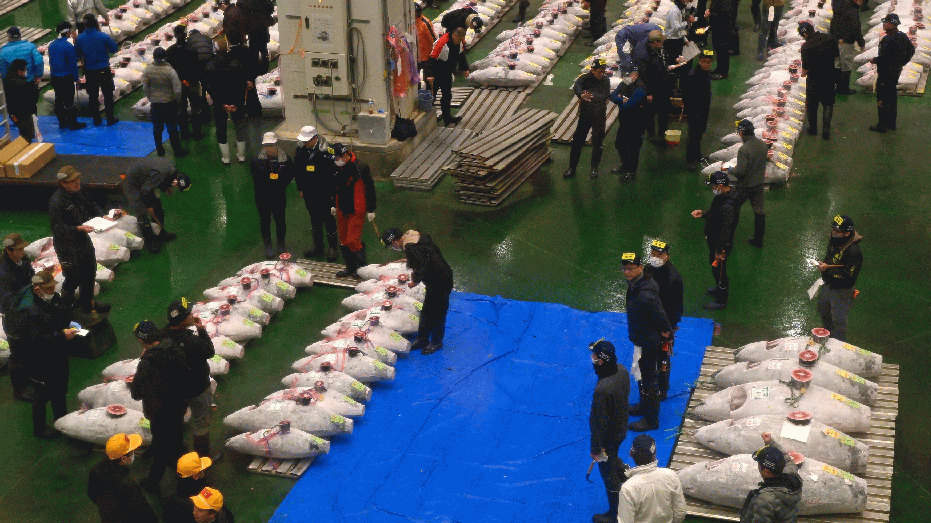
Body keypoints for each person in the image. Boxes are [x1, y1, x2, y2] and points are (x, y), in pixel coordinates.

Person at [4, 271, 75, 438]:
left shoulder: (44, 297)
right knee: (42, 394)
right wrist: (61, 335)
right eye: (48, 288)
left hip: (56, 353)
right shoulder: (28, 310)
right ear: (37, 288)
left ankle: (62, 419)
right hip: (38, 358)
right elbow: (34, 339)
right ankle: (40, 429)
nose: (52, 291)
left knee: (60, 387)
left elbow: (54, 312)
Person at [129, 320, 190, 493]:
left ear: (142, 341)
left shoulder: (147, 364)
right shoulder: (176, 349)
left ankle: (161, 483)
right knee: (176, 439)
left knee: (165, 451)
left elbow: (136, 393)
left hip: (159, 413)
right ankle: (169, 466)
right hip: (178, 406)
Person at [48, 166, 112, 315]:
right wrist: (78, 228)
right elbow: (57, 229)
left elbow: (91, 204)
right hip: (67, 246)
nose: (78, 183)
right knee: (73, 277)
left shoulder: (79, 191)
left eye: (78, 179)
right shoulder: (56, 202)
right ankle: (66, 305)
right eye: (73, 181)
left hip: (82, 240)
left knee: (90, 272)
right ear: (63, 183)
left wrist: (102, 216)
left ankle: (88, 304)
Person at [381, 228, 453, 354]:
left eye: (392, 246)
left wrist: (414, 281)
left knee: (438, 313)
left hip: (441, 281)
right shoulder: (414, 237)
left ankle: (437, 342)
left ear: (394, 242)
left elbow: (421, 267)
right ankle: (422, 339)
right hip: (434, 281)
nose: (393, 248)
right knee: (426, 312)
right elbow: (422, 260)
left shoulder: (411, 247)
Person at [621, 252, 672, 432]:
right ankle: (644, 406)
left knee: (649, 380)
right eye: (625, 269)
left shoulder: (645, 294)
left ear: (640, 268)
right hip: (641, 338)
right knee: (643, 377)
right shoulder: (637, 284)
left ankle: (651, 420)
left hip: (649, 342)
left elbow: (661, 317)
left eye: (631, 269)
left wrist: (666, 334)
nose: (626, 272)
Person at [164, 298, 220, 461]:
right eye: (188, 314)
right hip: (197, 389)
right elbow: (209, 351)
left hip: (174, 390)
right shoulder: (190, 341)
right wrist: (201, 329)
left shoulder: (162, 336)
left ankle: (177, 453)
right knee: (201, 422)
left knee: (176, 421)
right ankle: (202, 456)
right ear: (182, 320)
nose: (192, 315)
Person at [588, 339, 630, 523]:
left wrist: (596, 448)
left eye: (595, 356)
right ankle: (626, 473)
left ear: (602, 361)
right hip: (621, 426)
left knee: (607, 471)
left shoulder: (602, 390)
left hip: (609, 437)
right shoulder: (622, 370)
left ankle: (615, 514)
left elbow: (599, 424)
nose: (593, 359)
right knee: (613, 457)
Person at [691, 171, 740, 310]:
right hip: (714, 243)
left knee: (719, 271)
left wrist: (720, 251)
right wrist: (704, 214)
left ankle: (721, 300)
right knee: (714, 267)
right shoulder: (723, 197)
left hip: (720, 246)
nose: (711, 188)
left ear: (720, 185)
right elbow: (716, 213)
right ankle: (718, 288)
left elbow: (726, 230)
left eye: (713, 185)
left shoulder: (728, 206)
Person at [122, 158, 192, 253]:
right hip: (133, 184)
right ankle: (150, 242)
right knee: (142, 214)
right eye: (177, 186)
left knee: (158, 208)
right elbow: (145, 191)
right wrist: (149, 205)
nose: (175, 188)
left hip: (145, 182)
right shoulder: (162, 174)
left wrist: (165, 188)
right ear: (176, 182)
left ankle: (160, 233)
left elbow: (158, 181)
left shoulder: (173, 171)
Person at [88, 433, 159, 523]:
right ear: (123, 458)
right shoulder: (127, 484)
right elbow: (143, 511)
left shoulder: (95, 471)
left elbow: (91, 494)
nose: (133, 454)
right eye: (132, 452)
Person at [643, 240, 683, 401]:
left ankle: (663, 389)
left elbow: (677, 307)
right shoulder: (648, 269)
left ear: (667, 256)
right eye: (653, 254)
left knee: (663, 358)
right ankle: (649, 384)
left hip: (663, 324)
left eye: (659, 255)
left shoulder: (674, 278)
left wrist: (670, 328)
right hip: (648, 321)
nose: (655, 258)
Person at [330, 143, 376, 278]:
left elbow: (370, 189)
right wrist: (333, 204)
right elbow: (334, 186)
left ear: (345, 155)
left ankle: (362, 269)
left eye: (337, 158)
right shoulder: (336, 167)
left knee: (353, 240)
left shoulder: (360, 167)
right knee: (344, 240)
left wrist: (371, 209)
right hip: (342, 208)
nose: (335, 161)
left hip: (356, 209)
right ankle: (350, 268)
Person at [293, 125, 338, 261]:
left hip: (324, 192)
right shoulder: (300, 150)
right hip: (309, 191)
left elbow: (333, 173)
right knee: (314, 218)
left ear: (315, 138)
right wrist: (301, 188)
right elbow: (298, 170)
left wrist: (332, 192)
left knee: (328, 218)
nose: (305, 143)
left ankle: (332, 247)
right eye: (304, 141)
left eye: (308, 141)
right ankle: (317, 245)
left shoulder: (327, 151)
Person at [618, 434, 687, 523]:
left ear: (631, 454)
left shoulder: (627, 489)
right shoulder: (671, 475)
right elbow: (680, 512)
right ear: (654, 455)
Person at [0, 233, 36, 402]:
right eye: (19, 249)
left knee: (29, 349)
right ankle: (19, 389)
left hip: (28, 313)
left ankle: (28, 377)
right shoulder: (3, 272)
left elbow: (31, 276)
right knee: (17, 355)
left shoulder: (24, 260)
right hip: (14, 318)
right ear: (8, 251)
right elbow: (8, 300)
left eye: (23, 247)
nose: (23, 251)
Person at [816, 215, 862, 341]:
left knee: (839, 321)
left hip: (842, 291)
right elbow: (829, 256)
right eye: (833, 229)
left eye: (837, 231)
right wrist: (824, 265)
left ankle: (839, 345)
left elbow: (848, 276)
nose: (833, 233)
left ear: (847, 233)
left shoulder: (854, 252)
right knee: (823, 311)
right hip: (828, 284)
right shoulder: (835, 239)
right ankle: (827, 337)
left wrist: (828, 270)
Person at [205, 37, 249, 164]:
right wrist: (236, 103)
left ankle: (226, 158)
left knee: (221, 128)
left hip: (220, 103)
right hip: (236, 101)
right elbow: (242, 85)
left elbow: (210, 88)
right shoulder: (236, 63)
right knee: (239, 127)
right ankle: (241, 156)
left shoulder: (210, 65)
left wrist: (221, 104)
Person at [740, 433, 802, 522]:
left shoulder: (764, 500)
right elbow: (786, 458)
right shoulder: (793, 475)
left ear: (766, 472)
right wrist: (770, 442)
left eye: (759, 465)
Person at [251, 132, 294, 258]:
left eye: (271, 145)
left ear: (276, 144)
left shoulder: (286, 159)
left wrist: (278, 185)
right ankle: (268, 245)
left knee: (280, 220)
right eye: (266, 145)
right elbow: (255, 176)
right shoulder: (257, 159)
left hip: (278, 196)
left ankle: (281, 244)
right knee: (265, 220)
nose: (269, 148)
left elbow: (289, 175)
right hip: (262, 196)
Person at [869, 14, 914, 133]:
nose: (884, 25)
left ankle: (882, 125)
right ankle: (891, 123)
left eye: (885, 22)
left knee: (882, 97)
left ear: (890, 24)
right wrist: (902, 63)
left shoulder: (887, 39)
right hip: (895, 72)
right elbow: (911, 50)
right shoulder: (902, 36)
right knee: (892, 96)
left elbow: (884, 59)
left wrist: (874, 60)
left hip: (885, 73)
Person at [566, 58, 610, 179]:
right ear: (592, 70)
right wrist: (581, 94)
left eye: (603, 72)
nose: (601, 74)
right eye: (599, 72)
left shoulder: (605, 80)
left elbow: (605, 95)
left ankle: (594, 169)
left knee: (598, 142)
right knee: (577, 141)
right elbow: (577, 86)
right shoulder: (584, 78)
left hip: (599, 116)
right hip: (585, 115)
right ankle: (572, 168)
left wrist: (590, 94)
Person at [727, 119, 767, 248]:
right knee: (759, 212)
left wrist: (730, 169)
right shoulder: (763, 144)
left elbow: (740, 172)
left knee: (734, 209)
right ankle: (758, 240)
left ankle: (728, 240)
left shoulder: (744, 150)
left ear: (742, 133)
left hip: (744, 186)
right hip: (759, 184)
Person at [143, 46, 187, 157]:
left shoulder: (147, 70)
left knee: (157, 128)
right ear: (165, 57)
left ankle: (159, 149)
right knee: (172, 128)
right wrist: (178, 101)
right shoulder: (170, 71)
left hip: (156, 105)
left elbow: (145, 87)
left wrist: (151, 98)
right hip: (169, 104)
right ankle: (177, 151)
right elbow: (177, 89)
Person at [75, 14, 118, 126]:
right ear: (96, 23)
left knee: (93, 95)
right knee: (108, 94)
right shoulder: (103, 36)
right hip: (104, 69)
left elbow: (77, 55)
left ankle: (96, 119)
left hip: (90, 71)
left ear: (84, 24)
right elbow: (114, 48)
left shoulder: (79, 38)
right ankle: (110, 118)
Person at [799, 22, 839, 139]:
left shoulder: (806, 47)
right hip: (829, 77)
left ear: (805, 34)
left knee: (812, 105)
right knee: (828, 103)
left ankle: (813, 129)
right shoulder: (829, 38)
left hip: (814, 80)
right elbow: (836, 56)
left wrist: (803, 73)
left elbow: (805, 68)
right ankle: (826, 130)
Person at [609, 65, 649, 181]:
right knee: (620, 144)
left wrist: (622, 102)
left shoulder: (640, 88)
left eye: (628, 75)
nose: (625, 77)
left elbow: (629, 106)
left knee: (633, 148)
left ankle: (632, 172)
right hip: (624, 121)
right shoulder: (624, 83)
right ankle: (624, 165)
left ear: (635, 75)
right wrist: (622, 100)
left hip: (637, 123)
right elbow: (612, 96)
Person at [167, 25, 206, 141]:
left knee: (181, 109)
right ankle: (197, 133)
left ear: (174, 35)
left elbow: (170, 69)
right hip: (192, 82)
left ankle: (184, 133)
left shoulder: (170, 51)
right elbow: (197, 66)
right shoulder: (191, 49)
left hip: (178, 84)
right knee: (195, 108)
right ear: (185, 35)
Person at [427, 27, 470, 126]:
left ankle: (447, 117)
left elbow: (461, 55)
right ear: (454, 35)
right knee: (431, 96)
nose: (459, 41)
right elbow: (432, 58)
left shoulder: (458, 42)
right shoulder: (442, 43)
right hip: (436, 72)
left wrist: (465, 68)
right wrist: (430, 74)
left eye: (461, 40)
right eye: (459, 39)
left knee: (447, 95)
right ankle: (428, 118)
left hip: (447, 72)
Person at [48, 21, 86, 131]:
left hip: (55, 77)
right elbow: (72, 65)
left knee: (59, 99)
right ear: (68, 31)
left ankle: (62, 122)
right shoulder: (68, 46)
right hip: (66, 77)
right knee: (69, 101)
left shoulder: (51, 45)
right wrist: (76, 78)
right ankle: (73, 123)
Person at [683, 50, 714, 172]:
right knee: (693, 134)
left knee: (700, 131)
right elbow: (686, 96)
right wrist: (691, 111)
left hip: (703, 108)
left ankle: (697, 155)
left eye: (709, 62)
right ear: (699, 61)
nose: (706, 64)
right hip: (694, 110)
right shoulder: (693, 75)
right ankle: (689, 160)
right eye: (704, 62)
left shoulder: (706, 73)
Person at [638, 30, 670, 143]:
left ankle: (662, 132)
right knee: (650, 113)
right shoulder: (644, 54)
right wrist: (648, 93)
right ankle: (651, 134)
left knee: (664, 110)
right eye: (661, 41)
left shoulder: (659, 49)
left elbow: (663, 62)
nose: (663, 43)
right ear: (655, 42)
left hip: (662, 86)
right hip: (652, 88)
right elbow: (644, 76)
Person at [830, 0, 865, 94]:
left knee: (837, 64)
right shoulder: (852, 10)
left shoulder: (838, 6)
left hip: (836, 41)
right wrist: (861, 43)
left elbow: (833, 23)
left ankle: (835, 87)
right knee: (846, 65)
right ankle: (843, 89)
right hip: (846, 42)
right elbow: (856, 28)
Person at [3, 59, 39, 143]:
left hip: (13, 112)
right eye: (25, 70)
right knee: (27, 135)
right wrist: (35, 87)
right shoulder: (23, 84)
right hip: (24, 113)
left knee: (23, 132)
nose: (25, 72)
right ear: (19, 71)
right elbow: (32, 99)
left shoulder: (6, 80)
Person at [663, 0, 695, 83]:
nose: (687, 3)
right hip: (672, 42)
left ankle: (681, 83)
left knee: (683, 63)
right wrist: (688, 22)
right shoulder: (674, 11)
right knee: (676, 65)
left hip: (678, 39)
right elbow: (675, 28)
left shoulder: (679, 9)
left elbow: (678, 30)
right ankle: (673, 86)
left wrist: (685, 39)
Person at [707, 0, 732, 79]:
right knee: (717, 47)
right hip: (716, 26)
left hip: (723, 26)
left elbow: (724, 13)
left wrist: (710, 14)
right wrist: (710, 10)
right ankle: (719, 68)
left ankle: (724, 72)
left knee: (723, 49)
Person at [415, 3, 438, 74]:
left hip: (426, 57)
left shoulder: (425, 23)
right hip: (415, 56)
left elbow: (434, 40)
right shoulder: (409, 22)